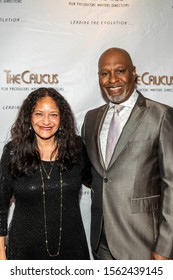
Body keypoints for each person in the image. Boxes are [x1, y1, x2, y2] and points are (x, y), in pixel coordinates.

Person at [81, 47, 173, 260]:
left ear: (133, 72)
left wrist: (165, 246)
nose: (112, 79)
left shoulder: (161, 115)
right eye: (104, 73)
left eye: (120, 71)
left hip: (144, 243)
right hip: (101, 242)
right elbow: (94, 174)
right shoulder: (91, 118)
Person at [0, 87, 91, 260]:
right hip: (25, 253)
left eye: (53, 114)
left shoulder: (76, 149)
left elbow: (100, 182)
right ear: (29, 117)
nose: (46, 121)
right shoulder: (13, 152)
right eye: (39, 114)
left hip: (72, 251)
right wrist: (1, 257)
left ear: (62, 118)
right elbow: (0, 207)